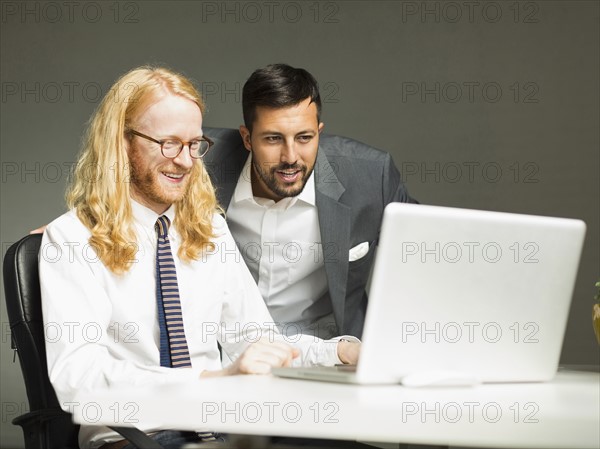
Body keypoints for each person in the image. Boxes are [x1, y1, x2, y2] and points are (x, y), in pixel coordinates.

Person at [39, 66, 358, 449]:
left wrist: (340, 352)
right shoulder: (71, 239)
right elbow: (81, 380)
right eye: (169, 143)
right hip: (134, 438)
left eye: (193, 145)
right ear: (122, 143)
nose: (186, 161)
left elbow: (256, 343)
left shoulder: (209, 228)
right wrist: (210, 384)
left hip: (222, 432)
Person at [204, 64, 417, 339]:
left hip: (330, 354)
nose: (291, 156)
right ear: (247, 138)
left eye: (305, 137)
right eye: (273, 138)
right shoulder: (200, 162)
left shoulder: (371, 176)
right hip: (226, 350)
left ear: (319, 131)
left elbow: (427, 255)